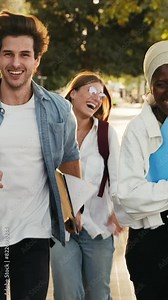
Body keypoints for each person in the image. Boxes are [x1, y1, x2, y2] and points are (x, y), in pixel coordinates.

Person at [0, 10, 81, 300]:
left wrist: (75, 206)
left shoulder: (58, 109)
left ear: (37, 59)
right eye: (7, 54)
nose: (16, 63)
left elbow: (70, 156)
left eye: (25, 54)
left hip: (33, 233)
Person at [51, 70, 123, 300]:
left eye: (101, 95)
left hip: (99, 227)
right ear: (73, 93)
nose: (97, 98)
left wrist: (119, 213)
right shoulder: (53, 132)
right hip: (62, 229)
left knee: (98, 293)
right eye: (91, 91)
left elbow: (119, 179)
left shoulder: (106, 134)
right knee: (68, 293)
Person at [117, 40, 168, 300]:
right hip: (150, 245)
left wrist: (154, 195)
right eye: (161, 83)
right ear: (150, 86)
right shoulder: (137, 130)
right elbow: (127, 193)